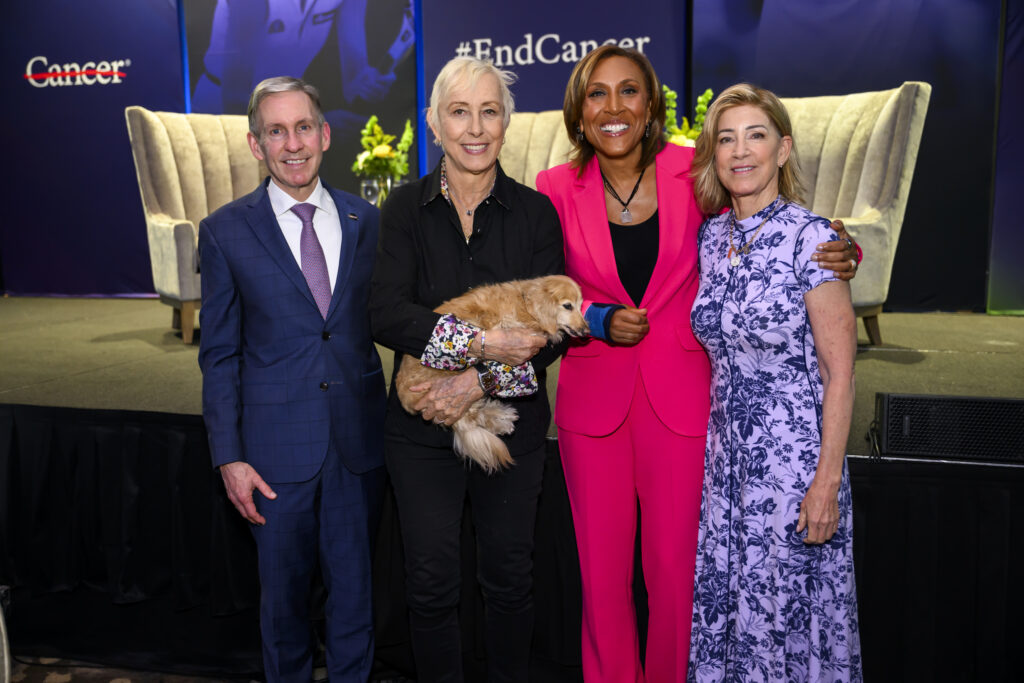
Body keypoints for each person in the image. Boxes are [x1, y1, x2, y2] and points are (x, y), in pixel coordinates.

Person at [535, 46, 858, 682]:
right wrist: (596, 318)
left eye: (629, 91)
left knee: (680, 580)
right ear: (579, 113)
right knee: (601, 584)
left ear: (651, 104)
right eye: (596, 94)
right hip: (590, 407)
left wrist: (842, 247)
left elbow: (769, 224)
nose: (614, 107)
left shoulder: (693, 172)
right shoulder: (551, 189)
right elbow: (539, 292)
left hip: (683, 406)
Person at [368, 57, 564, 682]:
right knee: (429, 589)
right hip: (421, 429)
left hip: (513, 424)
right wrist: (480, 348)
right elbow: (386, 314)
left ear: (506, 122)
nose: (474, 128)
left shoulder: (535, 214)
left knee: (509, 582)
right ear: (433, 123)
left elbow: (550, 333)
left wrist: (474, 382)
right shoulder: (402, 209)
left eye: (489, 112)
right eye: (459, 112)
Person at [198, 76, 386, 683]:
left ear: (325, 134)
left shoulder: (368, 220)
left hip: (359, 449)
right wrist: (229, 456)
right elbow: (220, 355)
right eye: (275, 131)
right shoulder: (226, 231)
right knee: (283, 617)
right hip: (274, 461)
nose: (292, 143)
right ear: (256, 145)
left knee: (356, 607)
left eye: (303, 127)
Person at [687, 83, 861, 681]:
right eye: (726, 138)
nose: (740, 151)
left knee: (784, 625)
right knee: (733, 616)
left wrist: (827, 482)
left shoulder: (813, 240)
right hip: (727, 470)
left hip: (793, 470)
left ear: (783, 149)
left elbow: (841, 372)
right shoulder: (711, 238)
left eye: (755, 135)